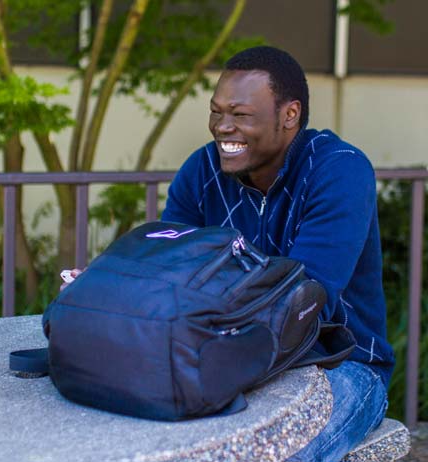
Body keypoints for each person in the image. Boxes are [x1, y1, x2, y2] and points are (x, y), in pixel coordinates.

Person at [63, 46, 393, 461]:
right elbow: (167, 273)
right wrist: (109, 289)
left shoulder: (338, 169)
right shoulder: (201, 170)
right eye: (216, 112)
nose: (222, 127)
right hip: (220, 356)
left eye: (240, 115)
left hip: (340, 364)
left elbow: (305, 305)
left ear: (289, 115)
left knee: (270, 452)